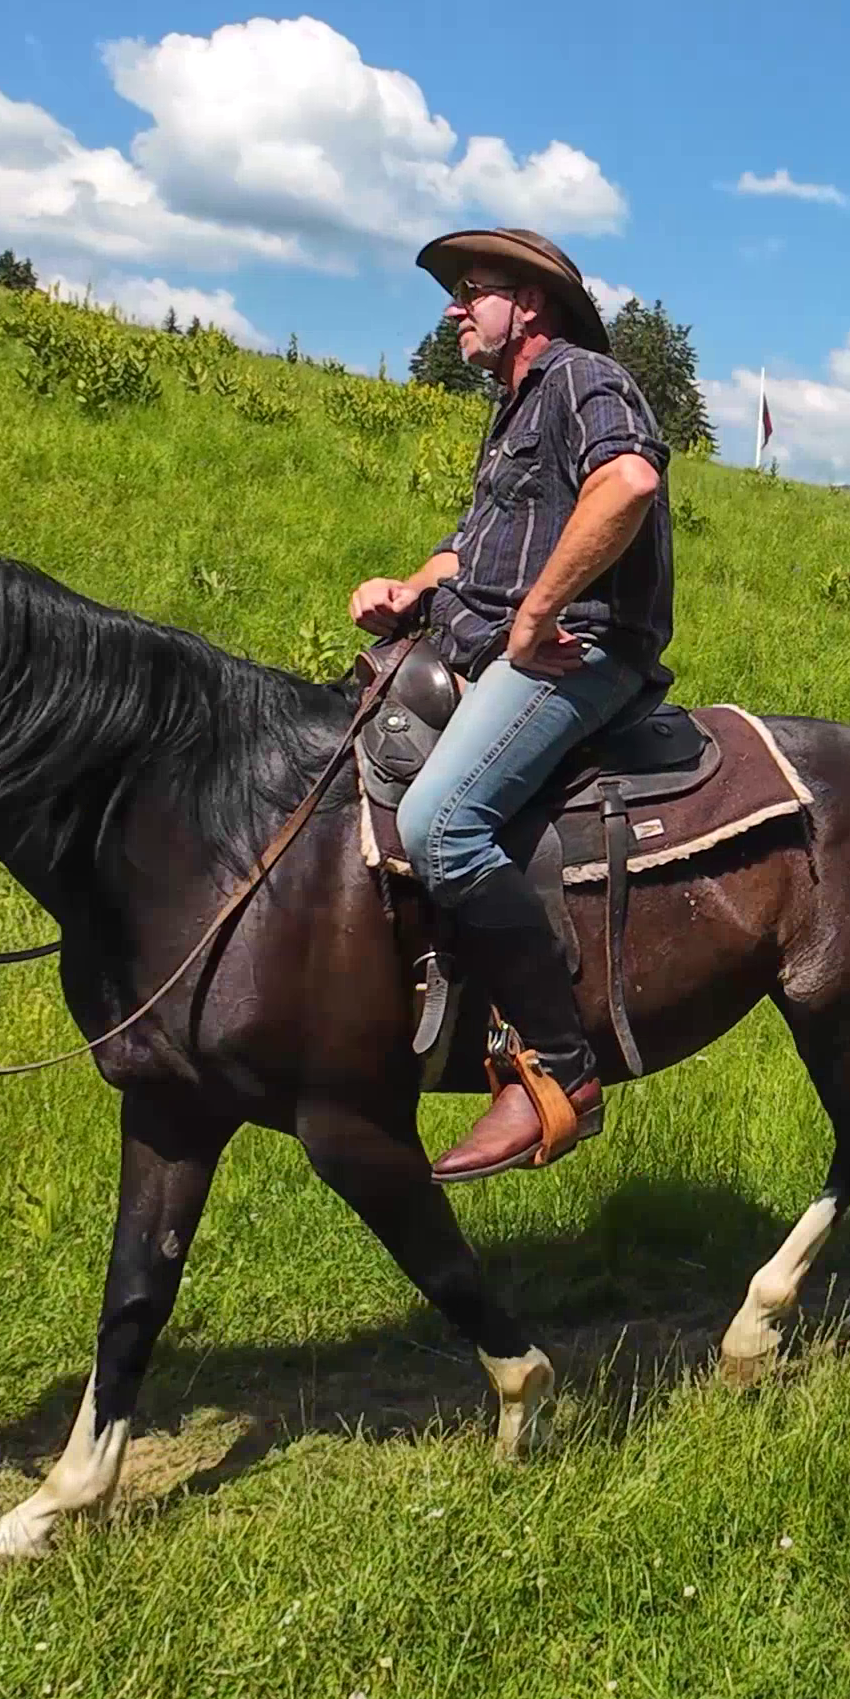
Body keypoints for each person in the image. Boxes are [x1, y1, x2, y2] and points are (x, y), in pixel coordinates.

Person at [346, 227, 673, 1181]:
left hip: (577, 654)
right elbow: (474, 548)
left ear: (526, 304)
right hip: (479, 642)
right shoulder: (510, 410)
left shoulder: (582, 379)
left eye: (472, 290)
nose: (454, 308)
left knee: (442, 821)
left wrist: (534, 619)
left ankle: (556, 1072)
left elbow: (629, 481)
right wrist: (407, 586)